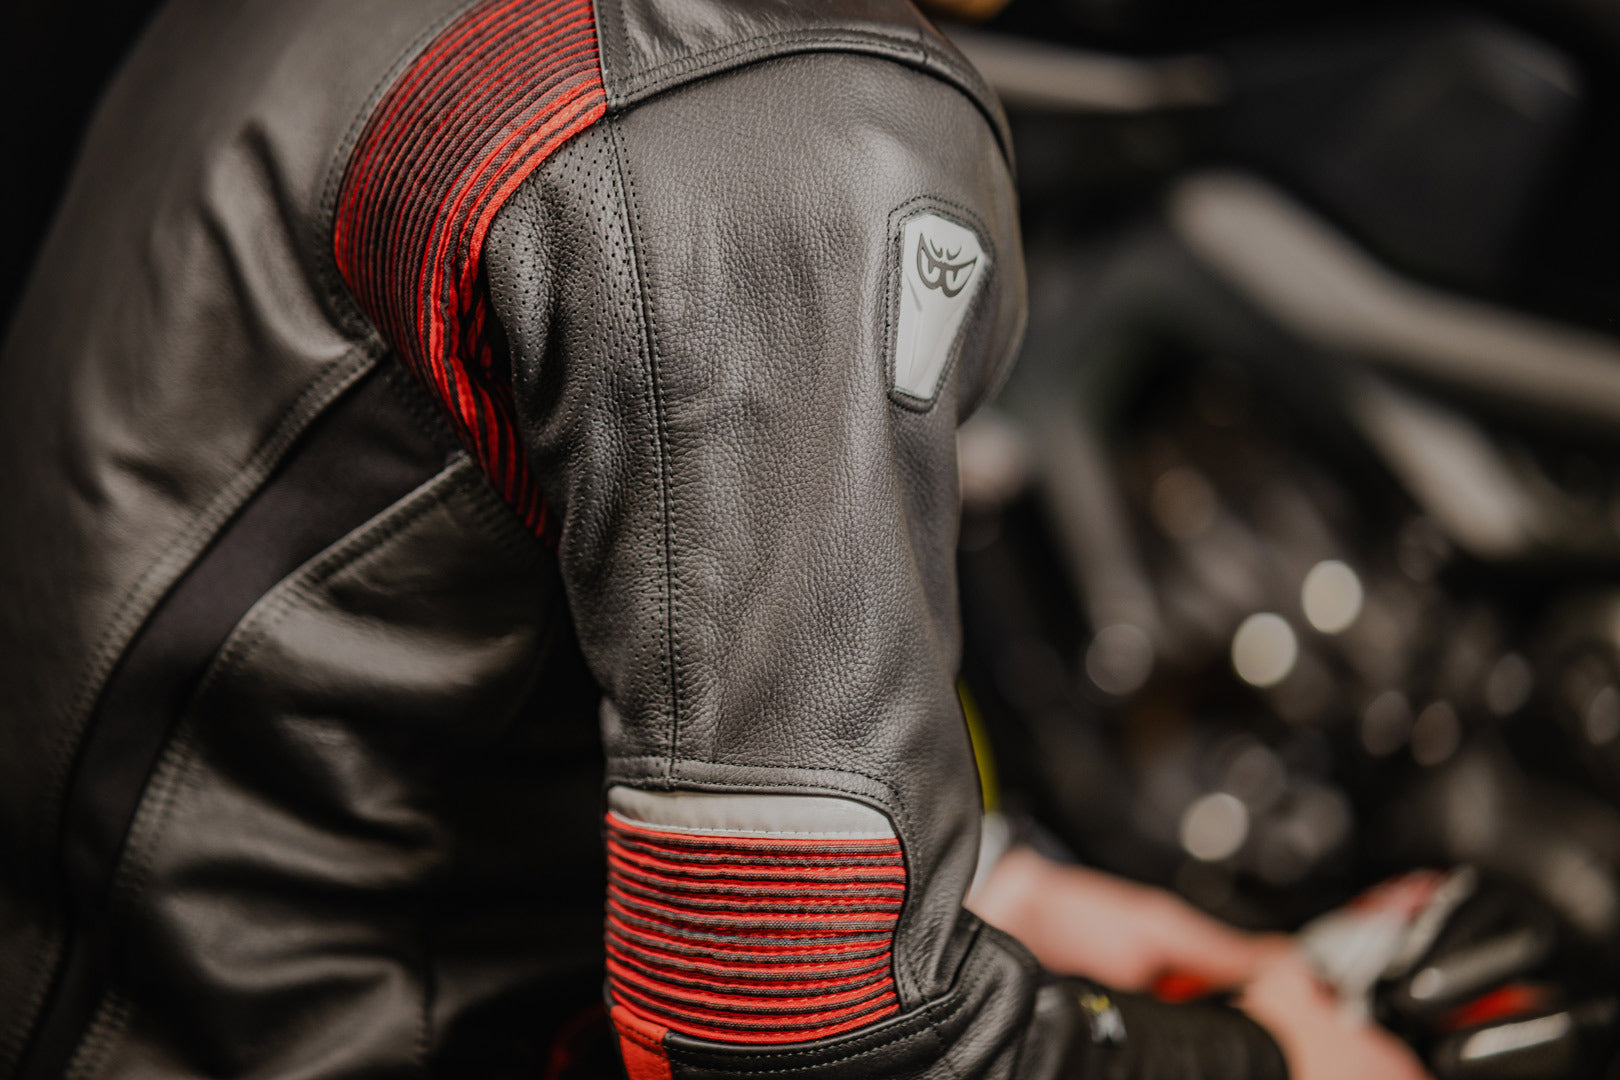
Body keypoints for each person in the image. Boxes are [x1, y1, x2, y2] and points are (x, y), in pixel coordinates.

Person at [0, 0, 1427, 1076]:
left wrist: (1001, 883)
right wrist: (1269, 1058)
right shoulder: (781, 115)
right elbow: (801, 1030)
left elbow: (398, 640)